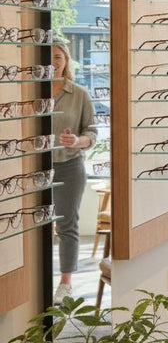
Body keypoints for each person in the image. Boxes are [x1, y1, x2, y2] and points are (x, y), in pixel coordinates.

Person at [50, 40, 97, 304]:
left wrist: (78, 141)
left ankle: (65, 283)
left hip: (69, 166)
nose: (52, 62)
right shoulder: (29, 92)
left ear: (66, 61)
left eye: (57, 57)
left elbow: (92, 131)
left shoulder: (79, 94)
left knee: (66, 225)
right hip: (35, 169)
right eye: (47, 57)